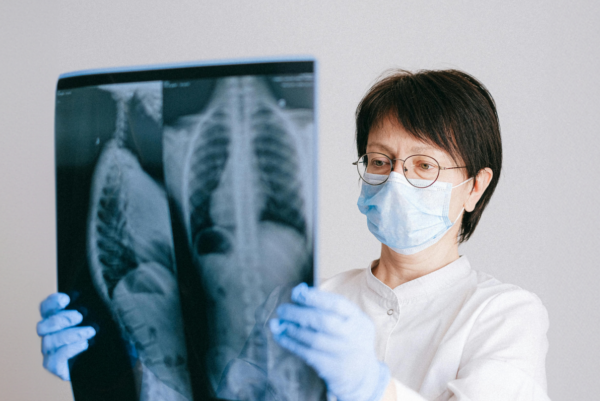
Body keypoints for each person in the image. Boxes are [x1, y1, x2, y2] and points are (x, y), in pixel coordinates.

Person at [37, 69, 550, 401]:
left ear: (475, 187)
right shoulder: (304, 303)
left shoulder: (505, 315)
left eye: (423, 165)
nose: (395, 180)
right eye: (380, 161)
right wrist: (108, 374)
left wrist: (370, 386)